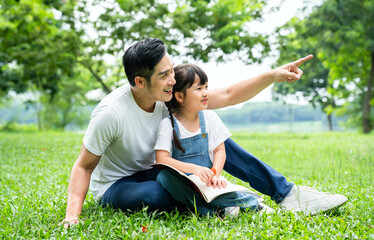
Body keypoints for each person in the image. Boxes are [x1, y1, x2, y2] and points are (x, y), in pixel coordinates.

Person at [61, 38, 347, 227]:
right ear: (139, 81)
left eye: (171, 70)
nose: (173, 80)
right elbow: (84, 166)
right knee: (157, 197)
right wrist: (72, 216)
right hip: (120, 184)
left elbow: (230, 93)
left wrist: (271, 75)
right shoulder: (111, 113)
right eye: (164, 75)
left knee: (219, 140)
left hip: (167, 169)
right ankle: (229, 206)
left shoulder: (171, 95)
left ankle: (287, 194)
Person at [155, 64, 272, 217]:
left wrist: (215, 175)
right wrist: (194, 169)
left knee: (218, 193)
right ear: (180, 96)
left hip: (209, 181)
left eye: (206, 87)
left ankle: (252, 204)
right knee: (163, 177)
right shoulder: (168, 124)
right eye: (199, 89)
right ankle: (214, 212)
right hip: (186, 182)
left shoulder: (210, 117)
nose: (205, 93)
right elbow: (161, 159)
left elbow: (220, 151)